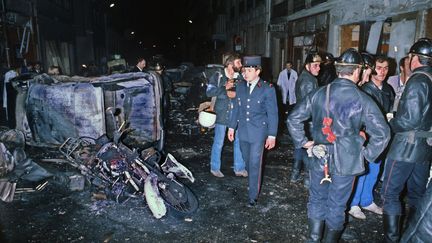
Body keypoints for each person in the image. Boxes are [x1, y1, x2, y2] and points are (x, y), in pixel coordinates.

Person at [287, 48, 390, 242]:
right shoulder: (362, 99)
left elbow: (293, 119)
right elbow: (383, 133)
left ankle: (314, 238)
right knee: (337, 205)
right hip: (347, 161)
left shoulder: (319, 93)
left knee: (317, 200)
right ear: (357, 71)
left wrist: (303, 142)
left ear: (338, 70)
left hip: (319, 155)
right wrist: (366, 156)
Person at [381, 38, 432, 242]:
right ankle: (411, 236)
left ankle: (392, 239)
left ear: (414, 58)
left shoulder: (418, 80)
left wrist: (391, 122)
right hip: (424, 148)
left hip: (405, 148)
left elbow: (408, 120)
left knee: (390, 194)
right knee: (417, 195)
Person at [227, 55, 278, 206]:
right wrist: (231, 127)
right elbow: (236, 108)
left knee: (255, 163)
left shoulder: (267, 89)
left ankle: (253, 195)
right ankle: (253, 179)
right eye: (244, 69)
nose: (245, 73)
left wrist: (272, 135)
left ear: (258, 71)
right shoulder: (241, 86)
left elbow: (273, 113)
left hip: (258, 132)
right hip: (243, 131)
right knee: (247, 160)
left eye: (249, 70)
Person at [349, 54, 394, 220]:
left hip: (380, 137)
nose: (382, 72)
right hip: (367, 136)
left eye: (385, 68)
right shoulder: (364, 89)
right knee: (362, 170)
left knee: (374, 170)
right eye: (379, 68)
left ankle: (366, 200)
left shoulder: (388, 89)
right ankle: (354, 203)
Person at [207, 53, 247, 178]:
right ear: (230, 64)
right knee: (219, 142)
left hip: (237, 113)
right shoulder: (218, 75)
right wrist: (224, 88)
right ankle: (215, 168)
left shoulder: (240, 77)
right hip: (222, 113)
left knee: (239, 141)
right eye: (238, 63)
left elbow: (245, 93)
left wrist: (237, 93)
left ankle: (239, 168)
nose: (241, 65)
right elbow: (209, 92)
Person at [291, 51, 322, 185]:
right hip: (308, 120)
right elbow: (309, 106)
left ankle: (295, 173)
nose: (318, 68)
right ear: (307, 65)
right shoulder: (308, 81)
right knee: (310, 150)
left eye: (319, 65)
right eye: (315, 65)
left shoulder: (305, 77)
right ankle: (308, 179)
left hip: (302, 120)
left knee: (300, 147)